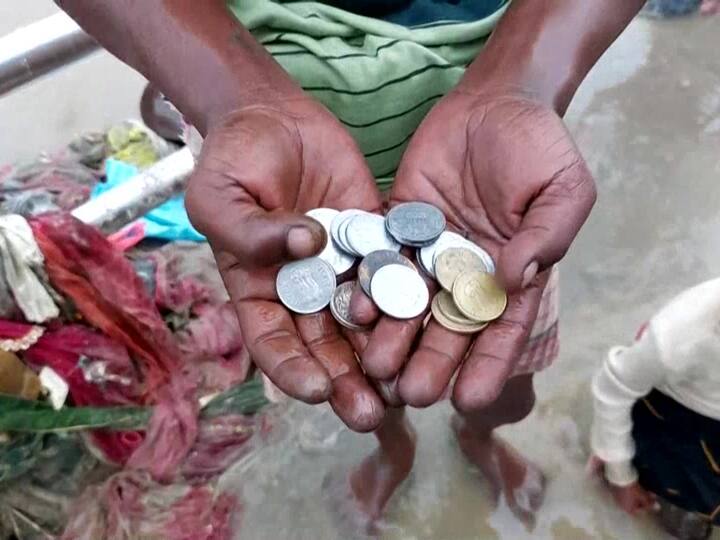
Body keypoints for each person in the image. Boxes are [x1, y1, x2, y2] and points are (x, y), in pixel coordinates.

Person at [57, 0, 642, 531]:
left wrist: (528, 78)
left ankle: (478, 434)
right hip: (282, 176)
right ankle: (395, 449)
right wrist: (229, 93)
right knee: (360, 371)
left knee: (506, 388)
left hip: (488, 202)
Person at [590, 278, 720, 540]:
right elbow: (613, 390)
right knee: (673, 482)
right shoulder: (676, 335)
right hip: (679, 420)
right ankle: (669, 505)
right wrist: (621, 476)